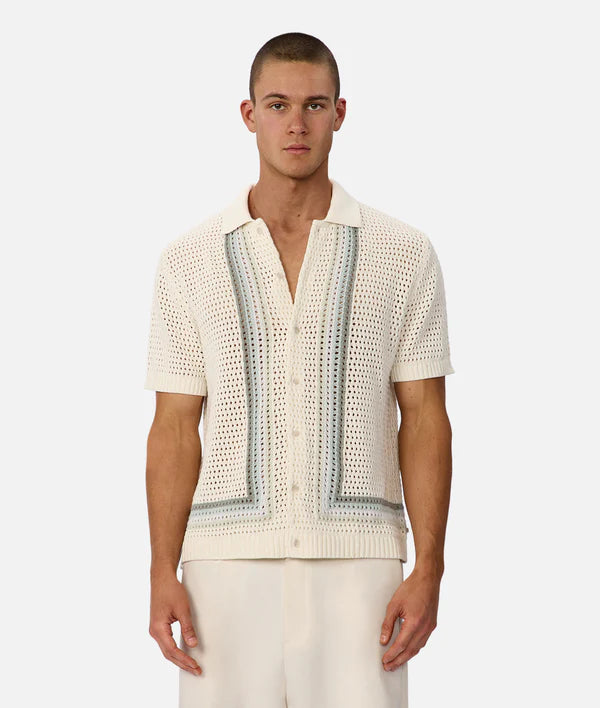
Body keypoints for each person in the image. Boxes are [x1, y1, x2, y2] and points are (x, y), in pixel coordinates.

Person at [144, 31, 455, 708]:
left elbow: (425, 416)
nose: (296, 124)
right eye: (278, 104)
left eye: (314, 105)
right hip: (223, 567)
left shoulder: (403, 253)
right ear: (249, 114)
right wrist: (162, 569)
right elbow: (173, 427)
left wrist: (429, 566)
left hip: (363, 568)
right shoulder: (189, 260)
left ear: (339, 113)